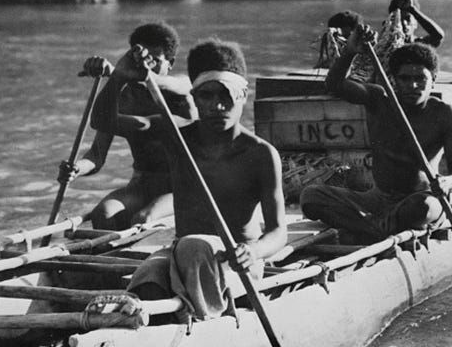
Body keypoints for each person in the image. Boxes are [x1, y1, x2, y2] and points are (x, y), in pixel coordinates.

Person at [108, 38, 287, 321]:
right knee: (147, 278)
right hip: (183, 255)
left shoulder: (261, 154)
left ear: (243, 95)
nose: (217, 106)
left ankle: (208, 321)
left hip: (237, 265)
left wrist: (253, 251)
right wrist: (118, 77)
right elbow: (104, 123)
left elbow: (279, 232)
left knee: (195, 246)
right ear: (194, 97)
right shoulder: (178, 137)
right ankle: (161, 324)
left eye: (226, 96)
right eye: (206, 96)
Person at [300, 27, 452, 243]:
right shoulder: (379, 100)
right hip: (378, 199)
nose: (412, 85)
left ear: (433, 79)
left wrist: (447, 183)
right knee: (310, 196)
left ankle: (367, 228)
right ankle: (374, 230)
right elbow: (334, 85)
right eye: (405, 78)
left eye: (420, 79)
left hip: (418, 200)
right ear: (394, 79)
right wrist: (350, 51)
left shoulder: (442, 113)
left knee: (423, 208)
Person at [60, 23, 194, 230]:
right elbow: (97, 154)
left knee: (143, 219)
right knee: (102, 215)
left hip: (181, 187)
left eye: (156, 61)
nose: (147, 67)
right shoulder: (125, 97)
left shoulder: (182, 89)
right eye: (142, 61)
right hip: (142, 185)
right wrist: (77, 169)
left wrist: (130, 74)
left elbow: (162, 82)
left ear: (171, 63)